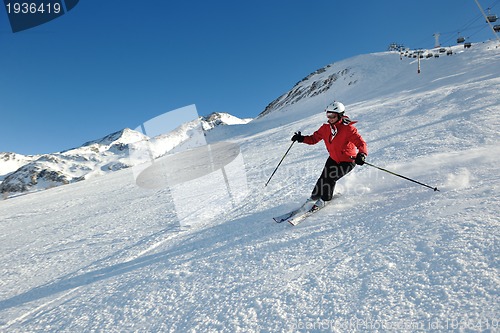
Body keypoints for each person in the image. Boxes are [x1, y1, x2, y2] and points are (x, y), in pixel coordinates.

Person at [291, 101, 367, 209]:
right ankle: (313, 197)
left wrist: (362, 154)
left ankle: (325, 200)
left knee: (330, 178)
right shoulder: (325, 128)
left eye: (333, 115)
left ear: (340, 115)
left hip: (348, 161)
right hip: (333, 159)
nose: (330, 118)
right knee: (323, 179)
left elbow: (360, 143)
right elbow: (313, 139)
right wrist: (301, 138)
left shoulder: (348, 129)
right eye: (328, 114)